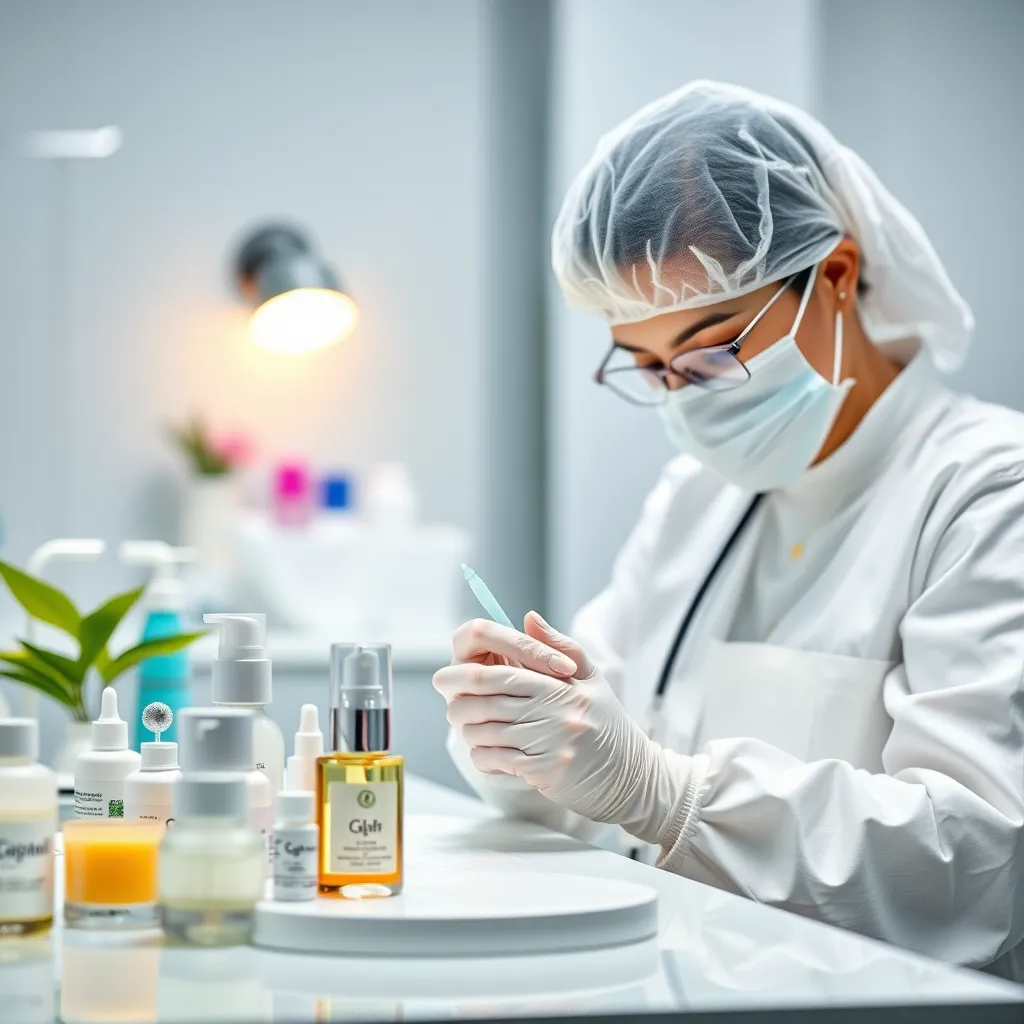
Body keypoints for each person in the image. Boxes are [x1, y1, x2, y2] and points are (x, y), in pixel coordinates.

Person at [432, 80, 1024, 978]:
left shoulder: (985, 491)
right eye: (648, 366)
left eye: (711, 354)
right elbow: (597, 736)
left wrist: (663, 793)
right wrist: (519, 735)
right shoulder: (698, 498)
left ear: (834, 276)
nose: (682, 398)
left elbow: (977, 862)